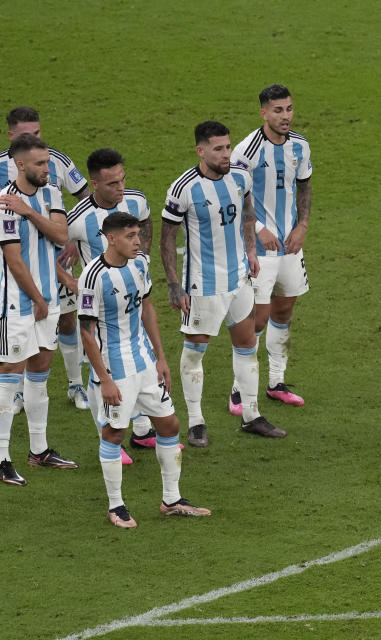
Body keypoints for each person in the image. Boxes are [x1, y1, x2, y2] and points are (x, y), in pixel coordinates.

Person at [79, 212, 210, 527]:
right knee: (114, 433)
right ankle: (116, 506)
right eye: (130, 236)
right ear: (111, 238)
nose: (138, 241)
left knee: (169, 425)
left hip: (144, 362)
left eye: (138, 234)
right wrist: (105, 380)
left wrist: (160, 358)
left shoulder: (139, 265)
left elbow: (147, 309)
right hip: (115, 367)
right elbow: (86, 332)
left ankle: (172, 499)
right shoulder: (92, 276)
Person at [160, 121, 285, 446]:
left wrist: (251, 250)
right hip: (203, 286)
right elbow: (167, 238)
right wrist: (174, 284)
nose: (226, 153)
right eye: (218, 148)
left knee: (247, 347)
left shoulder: (240, 177)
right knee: (194, 353)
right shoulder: (183, 188)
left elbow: (246, 212)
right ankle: (196, 422)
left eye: (228, 146)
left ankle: (251, 415)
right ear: (201, 150)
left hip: (239, 279)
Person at [59, 149, 156, 463]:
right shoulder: (78, 219)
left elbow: (145, 220)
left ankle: (141, 430)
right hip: (98, 307)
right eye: (112, 183)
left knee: (138, 361)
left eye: (122, 179)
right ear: (94, 183)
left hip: (131, 299)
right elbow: (46, 251)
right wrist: (71, 281)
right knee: (104, 369)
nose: (120, 188)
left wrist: (144, 257)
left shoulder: (135, 199)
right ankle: (109, 436)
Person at [228, 84, 312, 413]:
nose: (285, 116)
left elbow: (304, 187)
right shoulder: (245, 151)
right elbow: (234, 195)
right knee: (256, 320)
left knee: (284, 311)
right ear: (263, 112)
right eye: (278, 110)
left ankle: (276, 381)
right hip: (259, 248)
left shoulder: (300, 147)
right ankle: (238, 390)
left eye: (289, 109)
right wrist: (259, 229)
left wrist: (303, 226)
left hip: (290, 245)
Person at [0, 107, 91, 411]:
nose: (47, 166)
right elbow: (14, 255)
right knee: (12, 359)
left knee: (65, 322)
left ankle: (75, 384)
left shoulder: (53, 180)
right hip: (13, 279)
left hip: (51, 268)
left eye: (38, 133)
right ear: (12, 137)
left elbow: (79, 207)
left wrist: (75, 239)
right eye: (28, 135)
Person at [0, 134, 76, 486]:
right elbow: (13, 260)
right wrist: (38, 299)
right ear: (20, 164)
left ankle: (39, 450)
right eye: (40, 164)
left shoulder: (51, 194)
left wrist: (30, 211)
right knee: (9, 373)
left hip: (48, 299)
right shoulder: (2, 205)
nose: (48, 169)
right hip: (16, 303)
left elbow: (61, 236)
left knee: (41, 369)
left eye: (48, 162)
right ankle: (1, 457)